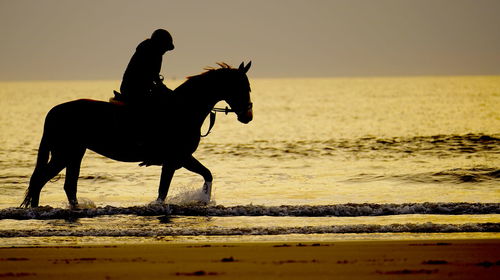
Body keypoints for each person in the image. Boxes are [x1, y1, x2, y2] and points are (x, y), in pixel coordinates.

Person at [117, 29, 175, 104]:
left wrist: (162, 88)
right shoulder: (147, 52)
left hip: (142, 89)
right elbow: (144, 76)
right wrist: (162, 89)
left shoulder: (155, 53)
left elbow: (154, 76)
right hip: (132, 90)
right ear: (159, 44)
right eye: (165, 48)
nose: (165, 51)